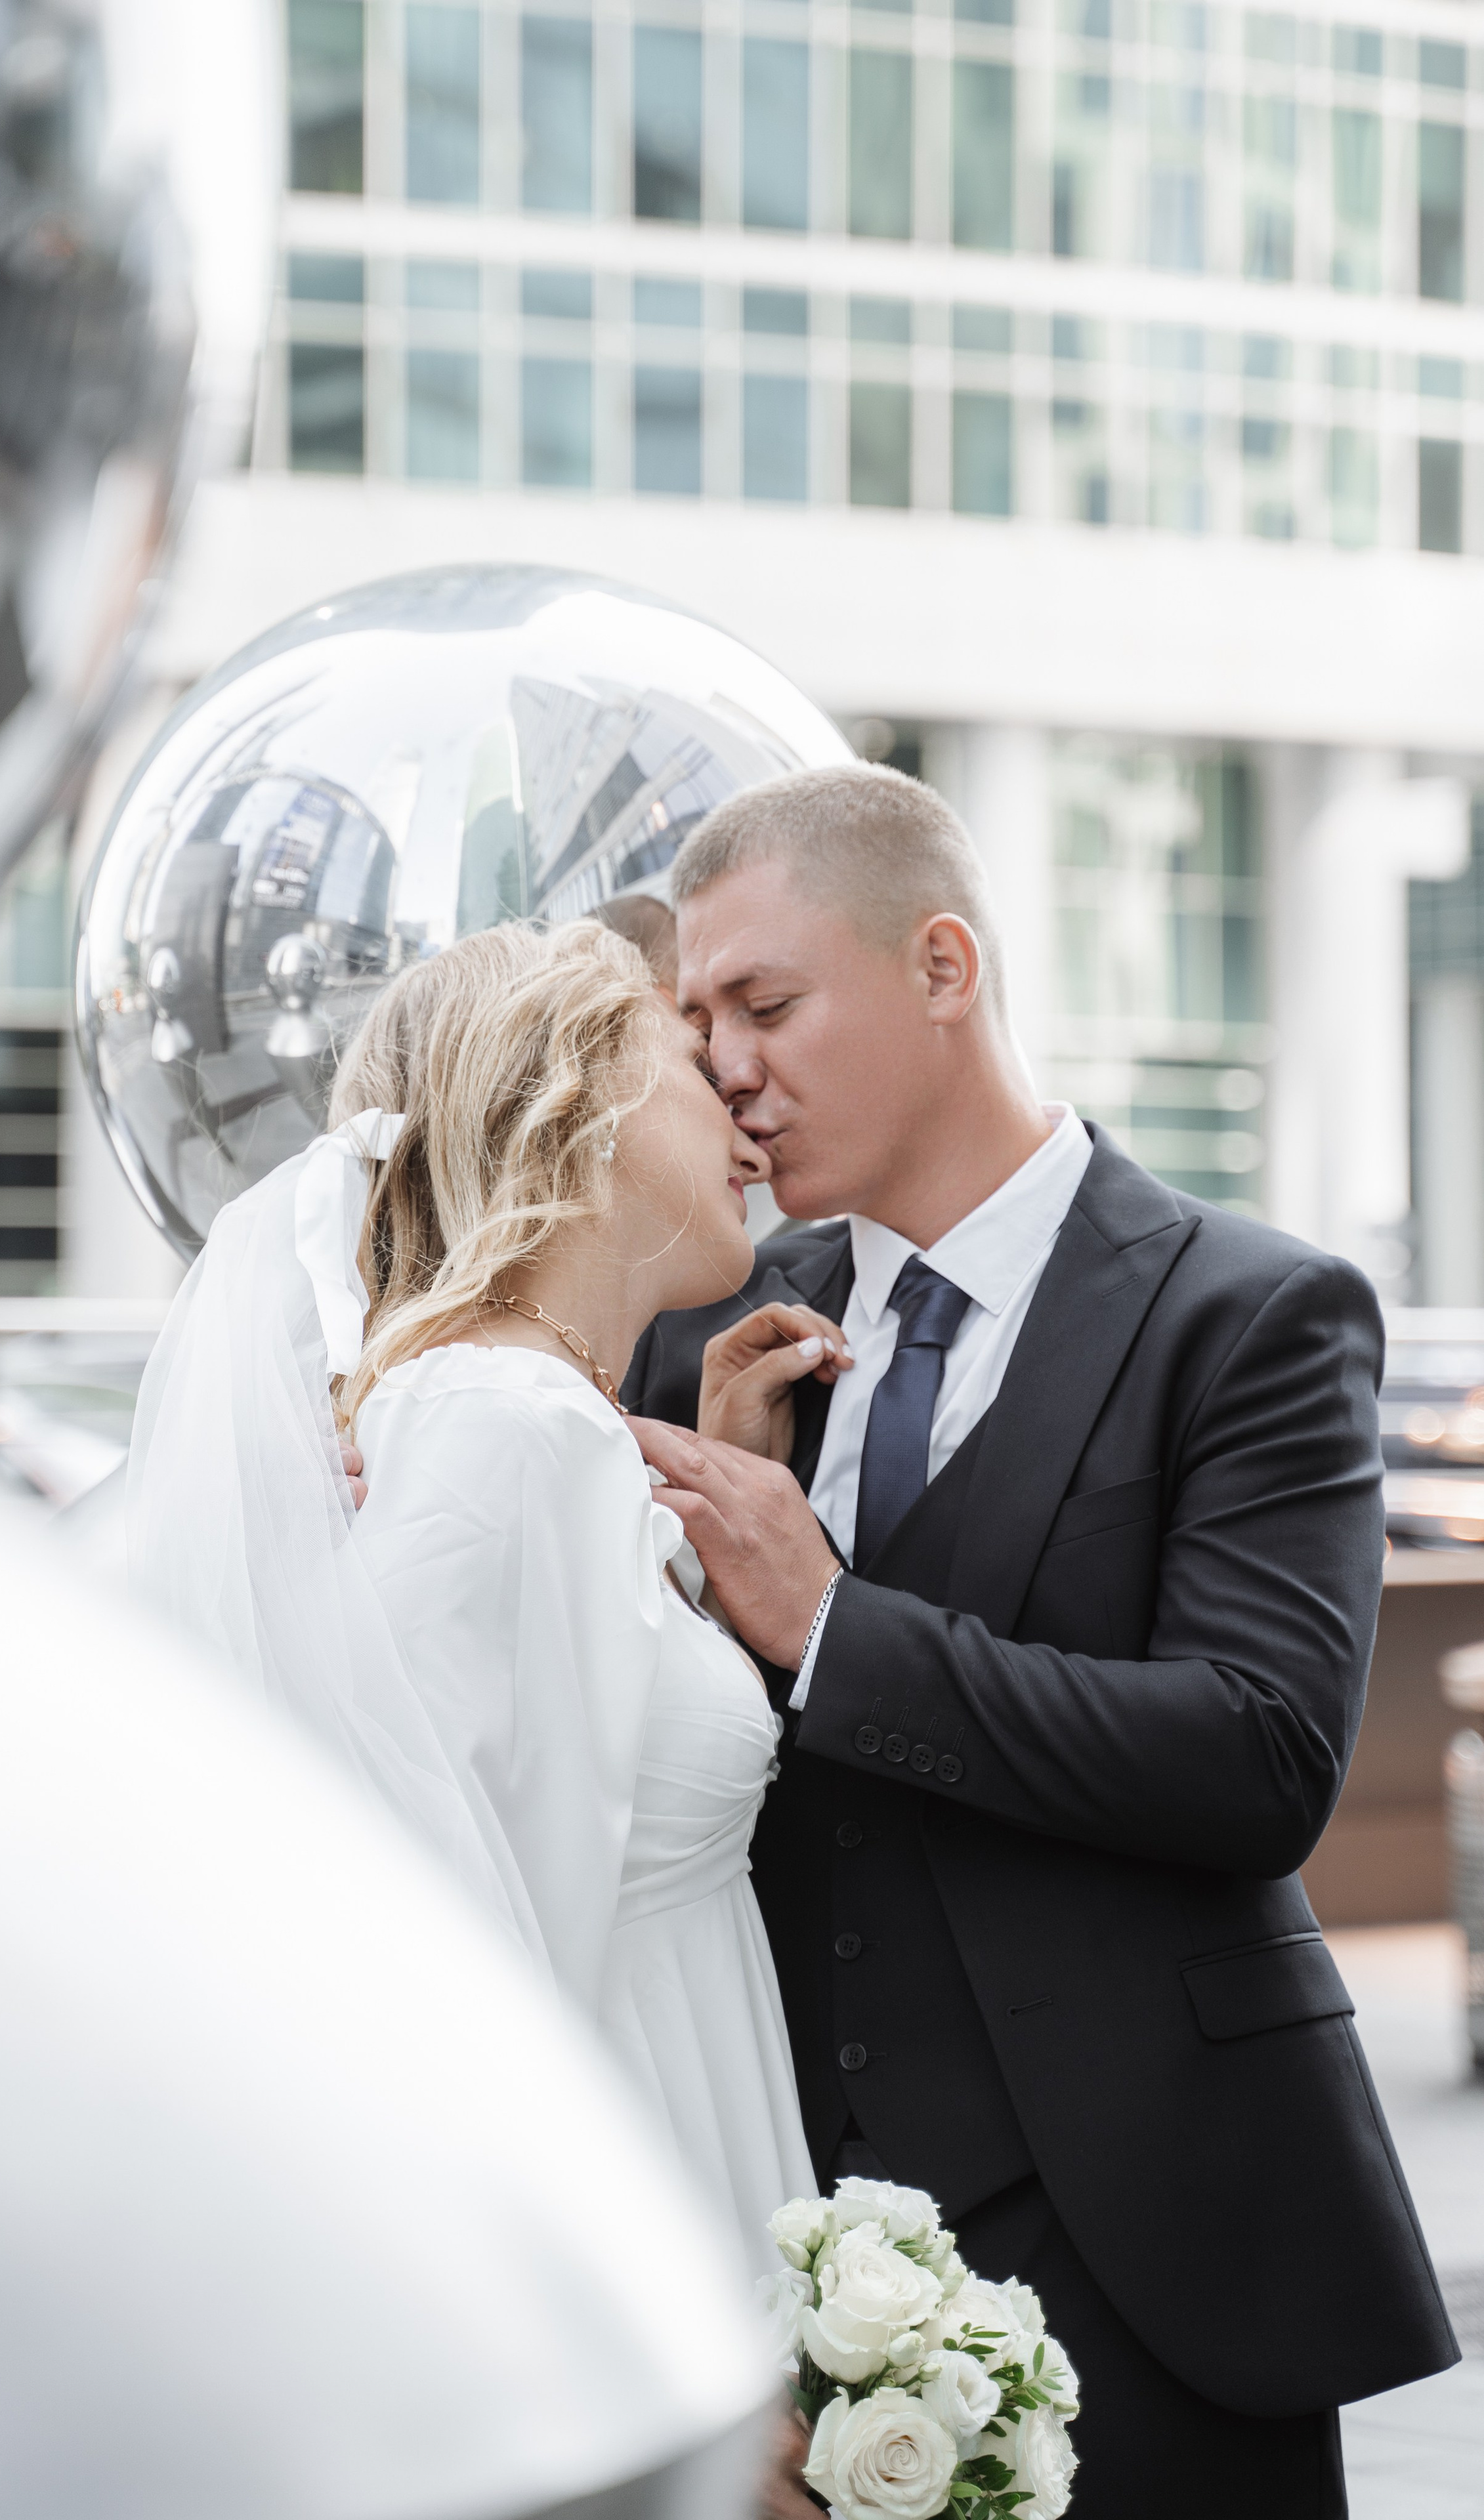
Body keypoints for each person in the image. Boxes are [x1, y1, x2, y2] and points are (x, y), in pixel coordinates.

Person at [622, 763, 1460, 2519]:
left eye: (765, 1003)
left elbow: (1257, 1757)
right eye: (697, 1021)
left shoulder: (1250, 1312)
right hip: (787, 2257)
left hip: (1156, 2252)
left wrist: (834, 1622)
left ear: (943, 967)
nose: (727, 1066)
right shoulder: (707, 1337)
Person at [127, 919, 817, 2280]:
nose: (742, 1110)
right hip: (619, 2199)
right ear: (582, 1101)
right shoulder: (506, 1427)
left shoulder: (535, 1422)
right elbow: (441, 1950)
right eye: (692, 1063)